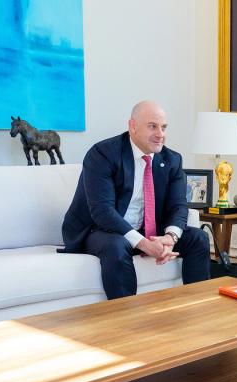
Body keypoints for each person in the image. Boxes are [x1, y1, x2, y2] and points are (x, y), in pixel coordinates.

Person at [60, 100, 210, 299]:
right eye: (152, 126)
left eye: (163, 127)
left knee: (198, 238)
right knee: (117, 245)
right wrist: (143, 244)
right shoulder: (103, 154)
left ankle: (198, 308)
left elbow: (179, 205)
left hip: (145, 228)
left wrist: (170, 237)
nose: (160, 134)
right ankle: (127, 321)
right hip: (98, 229)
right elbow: (102, 211)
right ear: (132, 126)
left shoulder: (172, 160)